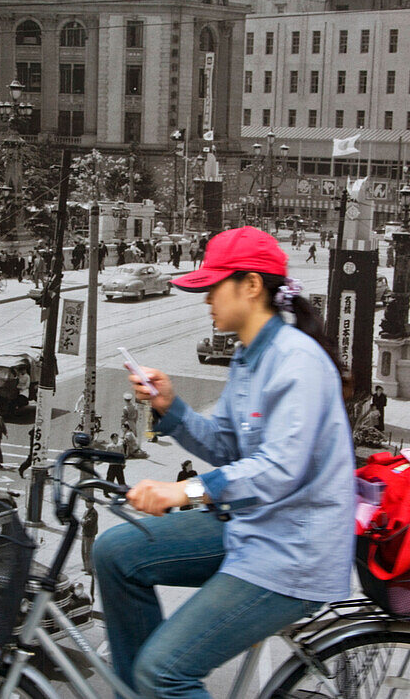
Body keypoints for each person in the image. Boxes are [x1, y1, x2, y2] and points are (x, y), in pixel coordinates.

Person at [93, 226, 354, 698]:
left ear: (251, 285)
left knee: (163, 671)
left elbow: (280, 468)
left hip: (291, 551)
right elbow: (227, 446)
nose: (206, 297)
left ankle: (153, 687)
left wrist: (187, 490)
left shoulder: (297, 360)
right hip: (251, 526)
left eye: (214, 286)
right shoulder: (248, 357)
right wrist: (171, 407)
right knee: (114, 553)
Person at [81, 500, 99, 574]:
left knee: (88, 552)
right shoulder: (86, 511)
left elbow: (87, 522)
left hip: (89, 534)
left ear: (92, 503)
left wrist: (82, 521)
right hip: (85, 533)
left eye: (88, 502)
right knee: (83, 551)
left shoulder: (93, 513)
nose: (86, 504)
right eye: (86, 502)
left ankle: (90, 569)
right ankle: (86, 567)